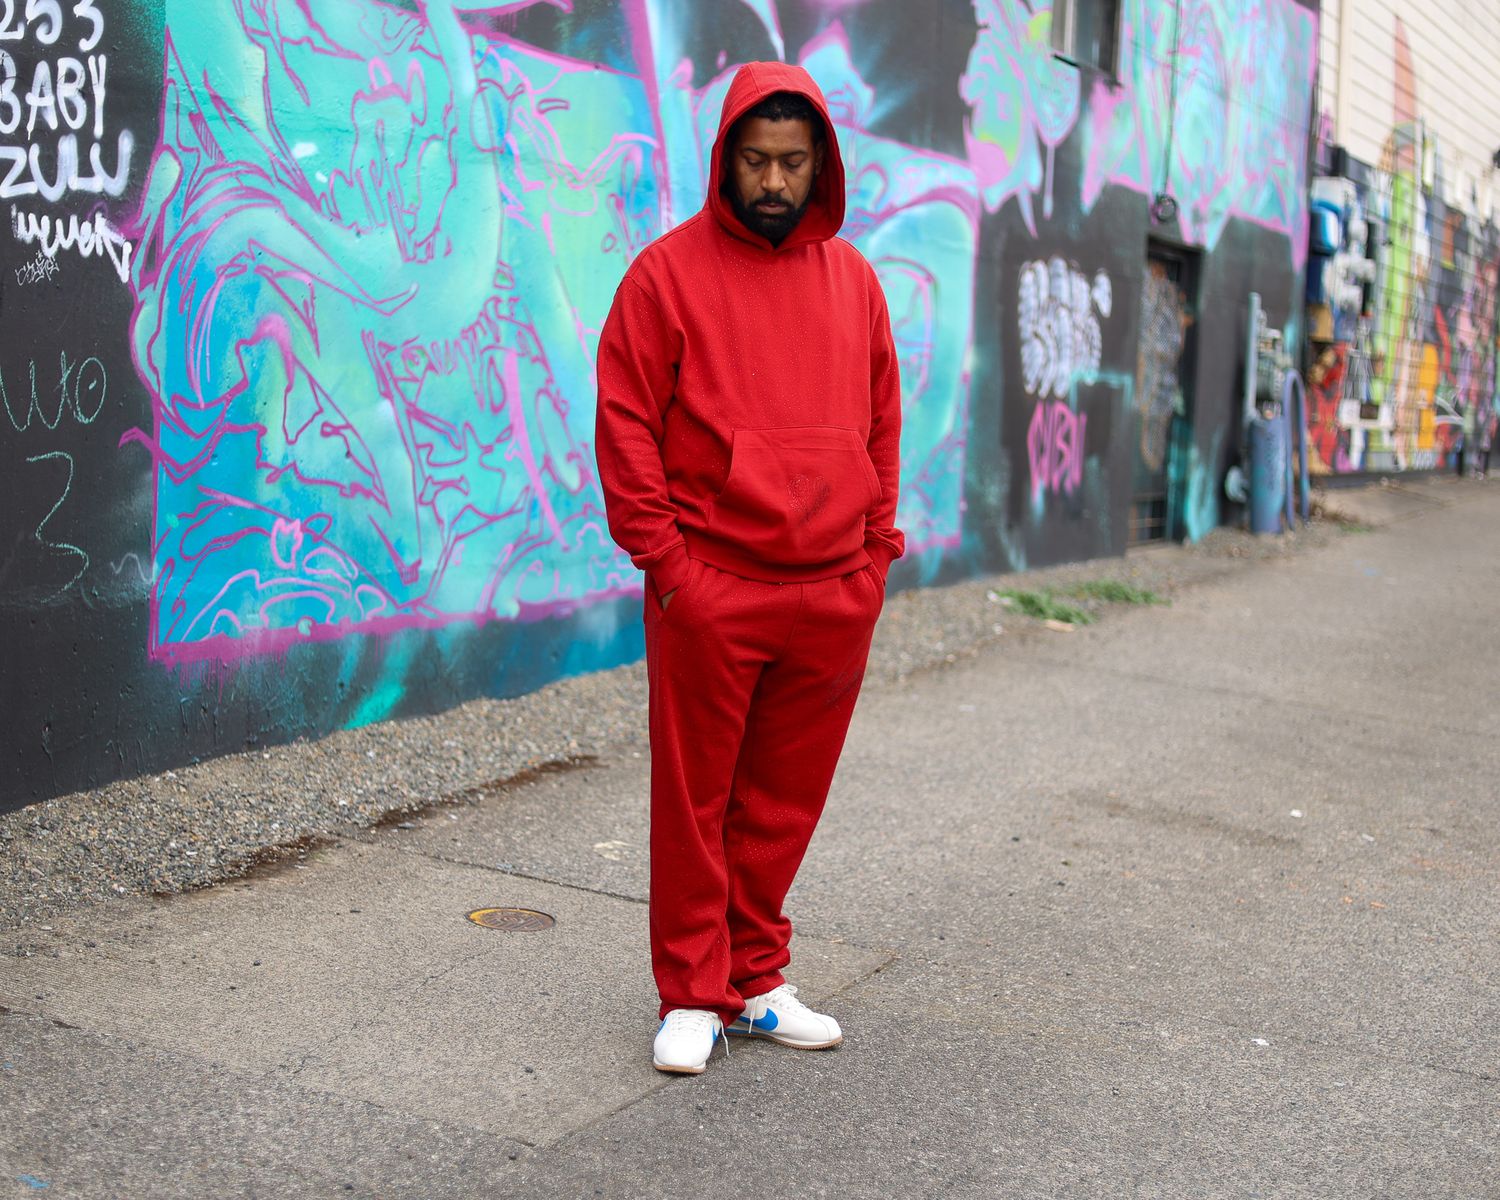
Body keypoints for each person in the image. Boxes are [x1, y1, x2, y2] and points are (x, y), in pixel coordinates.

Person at [594, 62, 904, 1075]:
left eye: (793, 162)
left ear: (821, 166)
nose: (774, 180)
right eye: (757, 160)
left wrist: (872, 556)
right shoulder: (664, 276)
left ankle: (757, 979)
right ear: (726, 159)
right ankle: (693, 991)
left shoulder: (854, 282)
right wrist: (669, 566)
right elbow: (626, 424)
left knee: (782, 802)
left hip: (832, 590)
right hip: (712, 585)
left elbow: (882, 420)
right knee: (697, 803)